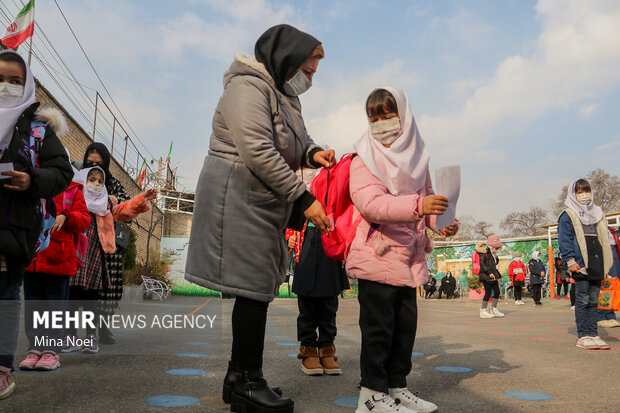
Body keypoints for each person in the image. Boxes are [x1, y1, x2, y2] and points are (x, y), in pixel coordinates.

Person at [184, 24, 336, 413]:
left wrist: (313, 152)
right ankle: (249, 381)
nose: (310, 78)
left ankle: (238, 378)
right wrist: (305, 199)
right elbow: (258, 150)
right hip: (236, 195)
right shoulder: (246, 88)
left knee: (257, 289)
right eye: (309, 69)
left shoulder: (283, 95)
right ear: (287, 59)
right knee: (252, 288)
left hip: (260, 200)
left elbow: (293, 141)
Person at [346, 87, 458, 413]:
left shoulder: (418, 158)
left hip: (409, 261)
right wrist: (419, 204)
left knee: (404, 330)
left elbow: (429, 201)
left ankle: (396, 387)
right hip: (377, 255)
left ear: (404, 117)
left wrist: (441, 222)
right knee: (379, 330)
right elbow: (372, 203)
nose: (381, 123)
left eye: (387, 115)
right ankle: (370, 397)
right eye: (374, 117)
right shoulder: (363, 157)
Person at [0, 50, 73, 399]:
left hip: (18, 234)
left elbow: (61, 173)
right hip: (39, 252)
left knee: (12, 297)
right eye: (0, 79)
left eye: (15, 81)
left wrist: (31, 180)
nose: (7, 87)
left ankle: (5, 367)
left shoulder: (38, 130)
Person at [62, 167, 155, 354]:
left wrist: (141, 199)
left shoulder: (105, 204)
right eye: (92, 179)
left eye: (100, 181)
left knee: (91, 300)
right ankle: (70, 336)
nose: (96, 184)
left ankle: (90, 337)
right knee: (70, 299)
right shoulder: (73, 199)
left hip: (94, 257)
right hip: (74, 257)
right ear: (82, 180)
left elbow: (125, 210)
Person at [19, 175, 90, 371]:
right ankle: (34, 349)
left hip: (58, 260)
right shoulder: (32, 184)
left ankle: (50, 350)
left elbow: (84, 219)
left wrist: (66, 216)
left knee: (55, 308)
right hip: (32, 258)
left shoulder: (73, 190)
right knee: (33, 307)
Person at [77, 143, 131, 345]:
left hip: (107, 243)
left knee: (108, 289)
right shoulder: (78, 179)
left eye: (99, 164)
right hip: (81, 239)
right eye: (90, 163)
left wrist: (113, 200)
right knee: (78, 287)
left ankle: (102, 326)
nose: (94, 166)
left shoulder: (112, 182)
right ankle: (70, 330)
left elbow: (127, 207)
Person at [558, 178, 612, 350]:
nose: (584, 195)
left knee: (594, 300)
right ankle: (583, 335)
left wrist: (606, 264)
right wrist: (571, 260)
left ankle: (594, 334)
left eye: (586, 190)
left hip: (597, 260)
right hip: (580, 261)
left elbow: (604, 239)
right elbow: (565, 239)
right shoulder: (568, 214)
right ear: (573, 194)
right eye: (580, 192)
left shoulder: (597, 212)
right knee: (582, 299)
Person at [291, 220, 349, 376]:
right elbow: (290, 205)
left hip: (332, 233)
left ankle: (326, 350)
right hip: (305, 235)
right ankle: (308, 350)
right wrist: (288, 233)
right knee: (307, 299)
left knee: (329, 301)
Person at [477, 234, 505, 318]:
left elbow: (494, 263)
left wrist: (496, 258)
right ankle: (483, 310)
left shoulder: (492, 252)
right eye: (496, 247)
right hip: (486, 276)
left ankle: (494, 309)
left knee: (497, 292)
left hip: (493, 276)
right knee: (488, 293)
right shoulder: (484, 251)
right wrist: (489, 273)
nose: (497, 249)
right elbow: (482, 264)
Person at [597, 227, 620, 328]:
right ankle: (602, 316)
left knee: (613, 283)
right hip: (603, 249)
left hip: (613, 248)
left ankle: (609, 314)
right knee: (606, 284)